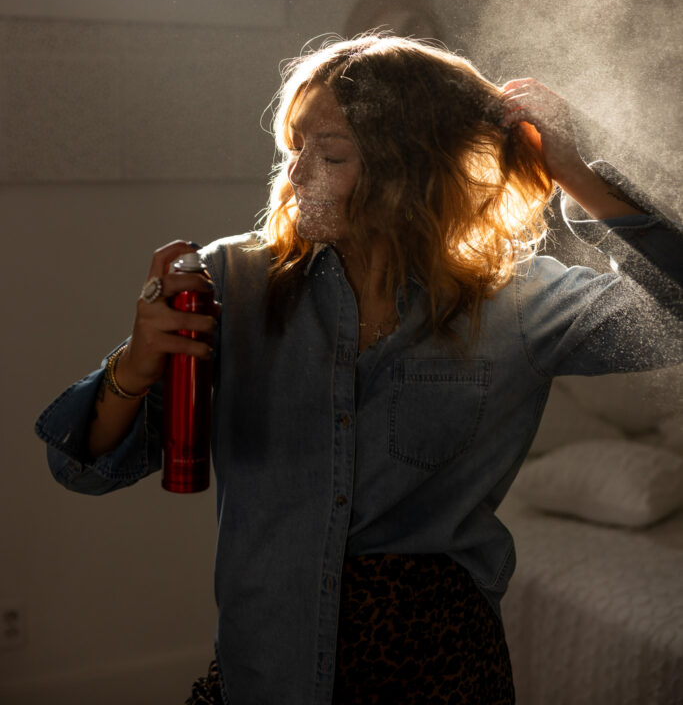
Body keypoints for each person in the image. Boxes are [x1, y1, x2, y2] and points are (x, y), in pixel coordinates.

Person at [36, 34, 681, 705]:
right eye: (294, 150)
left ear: (412, 170)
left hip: (444, 678)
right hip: (267, 678)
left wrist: (573, 171)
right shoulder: (232, 281)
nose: (295, 176)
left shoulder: (521, 303)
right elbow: (80, 466)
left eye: (331, 154)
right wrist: (136, 363)